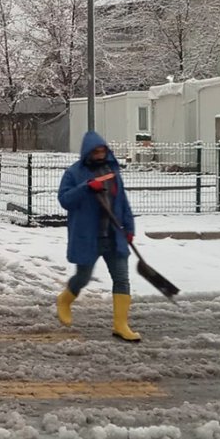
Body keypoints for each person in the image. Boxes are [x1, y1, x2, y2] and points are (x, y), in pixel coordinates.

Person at [56, 130, 140, 342]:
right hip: (88, 236)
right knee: (83, 277)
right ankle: (65, 300)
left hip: (114, 235)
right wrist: (85, 187)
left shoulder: (112, 171)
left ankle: (121, 324)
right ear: (88, 152)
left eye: (103, 150)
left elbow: (122, 203)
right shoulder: (74, 173)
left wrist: (129, 229)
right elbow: (65, 200)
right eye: (96, 151)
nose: (100, 154)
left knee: (121, 279)